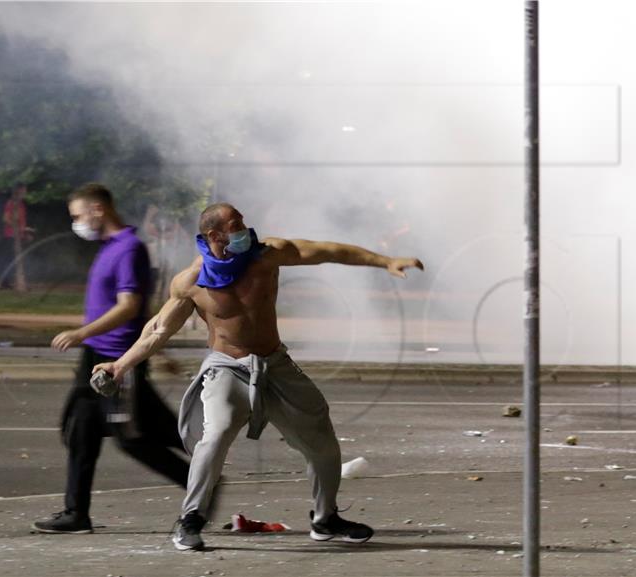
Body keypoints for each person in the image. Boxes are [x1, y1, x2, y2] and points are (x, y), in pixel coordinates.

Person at [94, 202, 424, 551]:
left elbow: (328, 250)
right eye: (235, 224)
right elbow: (156, 331)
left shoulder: (268, 255)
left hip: (274, 364)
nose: (243, 229)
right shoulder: (191, 281)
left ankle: (325, 519)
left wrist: (384, 261)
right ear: (214, 235)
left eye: (242, 221)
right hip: (226, 368)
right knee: (216, 433)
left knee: (322, 441)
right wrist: (119, 365)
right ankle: (190, 519)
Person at [32, 183, 190, 534]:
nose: (76, 223)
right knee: (80, 431)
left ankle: (200, 483)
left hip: (117, 361)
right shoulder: (110, 248)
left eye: (77, 215)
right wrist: (160, 350)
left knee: (134, 438)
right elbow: (143, 311)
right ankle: (76, 513)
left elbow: (130, 306)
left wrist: (81, 332)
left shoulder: (130, 249)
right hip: (98, 356)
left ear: (97, 209)